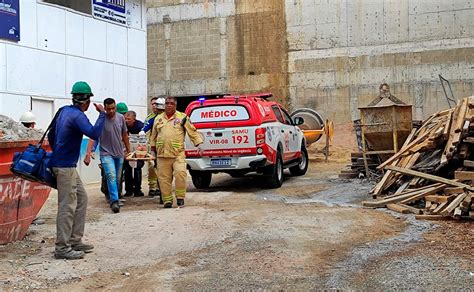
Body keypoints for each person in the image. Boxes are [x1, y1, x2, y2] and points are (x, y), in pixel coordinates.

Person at [49, 81, 105, 260]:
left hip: (63, 164)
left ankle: (75, 240)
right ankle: (62, 248)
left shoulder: (64, 111)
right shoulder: (78, 116)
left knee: (81, 198)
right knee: (67, 206)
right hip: (65, 167)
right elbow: (94, 133)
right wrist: (102, 115)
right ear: (87, 101)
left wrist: (59, 151)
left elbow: (51, 135)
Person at [150, 96, 203, 208]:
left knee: (180, 174)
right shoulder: (158, 118)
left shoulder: (182, 117)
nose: (169, 105)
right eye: (167, 103)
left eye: (172, 103)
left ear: (175, 105)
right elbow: (153, 136)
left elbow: (192, 131)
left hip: (177, 153)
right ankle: (167, 200)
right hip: (162, 154)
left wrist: (198, 144)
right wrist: (152, 150)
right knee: (163, 179)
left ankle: (180, 198)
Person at [84, 98, 131, 213]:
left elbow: (124, 135)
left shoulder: (120, 118)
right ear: (105, 108)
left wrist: (128, 151)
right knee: (111, 175)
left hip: (119, 154)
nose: (111, 111)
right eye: (108, 109)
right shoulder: (101, 119)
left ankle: (113, 196)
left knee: (118, 178)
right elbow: (93, 137)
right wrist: (88, 153)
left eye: (113, 108)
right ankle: (114, 201)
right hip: (106, 153)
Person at [142, 96, 165, 200]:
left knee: (162, 168)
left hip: (164, 146)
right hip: (152, 145)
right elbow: (145, 130)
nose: (156, 106)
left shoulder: (167, 117)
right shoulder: (150, 118)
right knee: (152, 166)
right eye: (154, 104)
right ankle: (153, 187)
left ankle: (163, 189)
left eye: (158, 104)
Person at [123, 110, 145, 197]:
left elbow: (143, 140)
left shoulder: (140, 126)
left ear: (134, 119)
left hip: (138, 150)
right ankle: (128, 190)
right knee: (127, 170)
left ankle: (137, 190)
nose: (126, 121)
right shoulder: (123, 125)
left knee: (137, 168)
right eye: (125, 119)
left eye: (129, 119)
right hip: (127, 150)